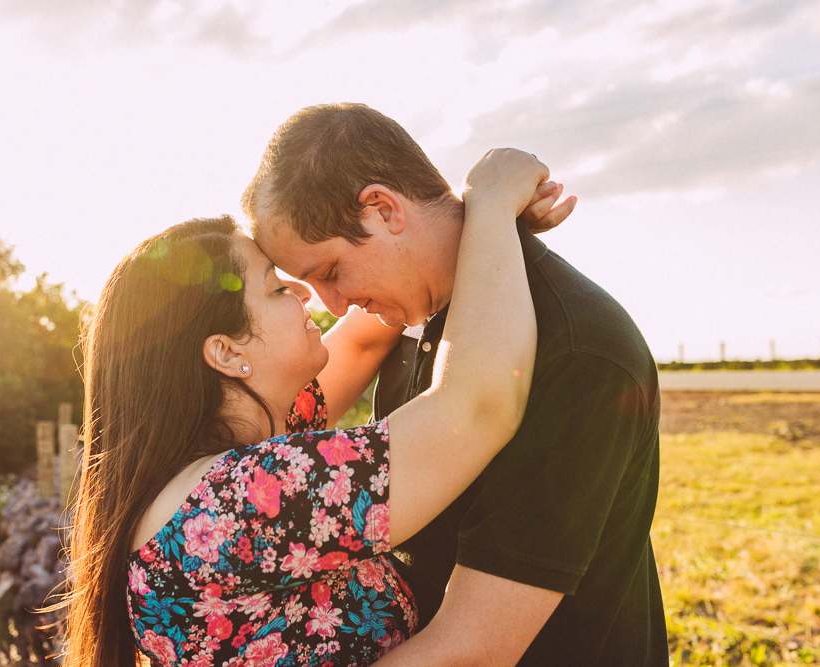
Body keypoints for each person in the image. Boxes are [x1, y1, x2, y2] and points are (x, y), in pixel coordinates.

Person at [61, 149, 550, 666]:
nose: (305, 291)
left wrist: (454, 229)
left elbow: (369, 331)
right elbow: (475, 410)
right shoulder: (244, 499)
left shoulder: (207, 479)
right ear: (226, 352)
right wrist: (492, 200)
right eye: (275, 287)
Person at [243, 103, 668, 666]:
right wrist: (488, 212)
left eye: (330, 272)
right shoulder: (403, 319)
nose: (333, 307)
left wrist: (490, 207)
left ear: (383, 210)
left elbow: (474, 651)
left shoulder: (580, 350)